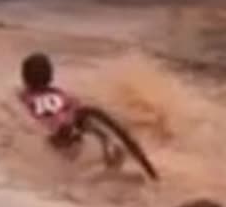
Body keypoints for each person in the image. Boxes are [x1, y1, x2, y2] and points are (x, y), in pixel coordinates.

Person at [17, 52, 159, 180]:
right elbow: (71, 107)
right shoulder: (62, 94)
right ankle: (111, 147)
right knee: (91, 116)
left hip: (56, 133)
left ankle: (108, 147)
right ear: (51, 76)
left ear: (25, 78)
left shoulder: (23, 96)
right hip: (70, 127)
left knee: (79, 120)